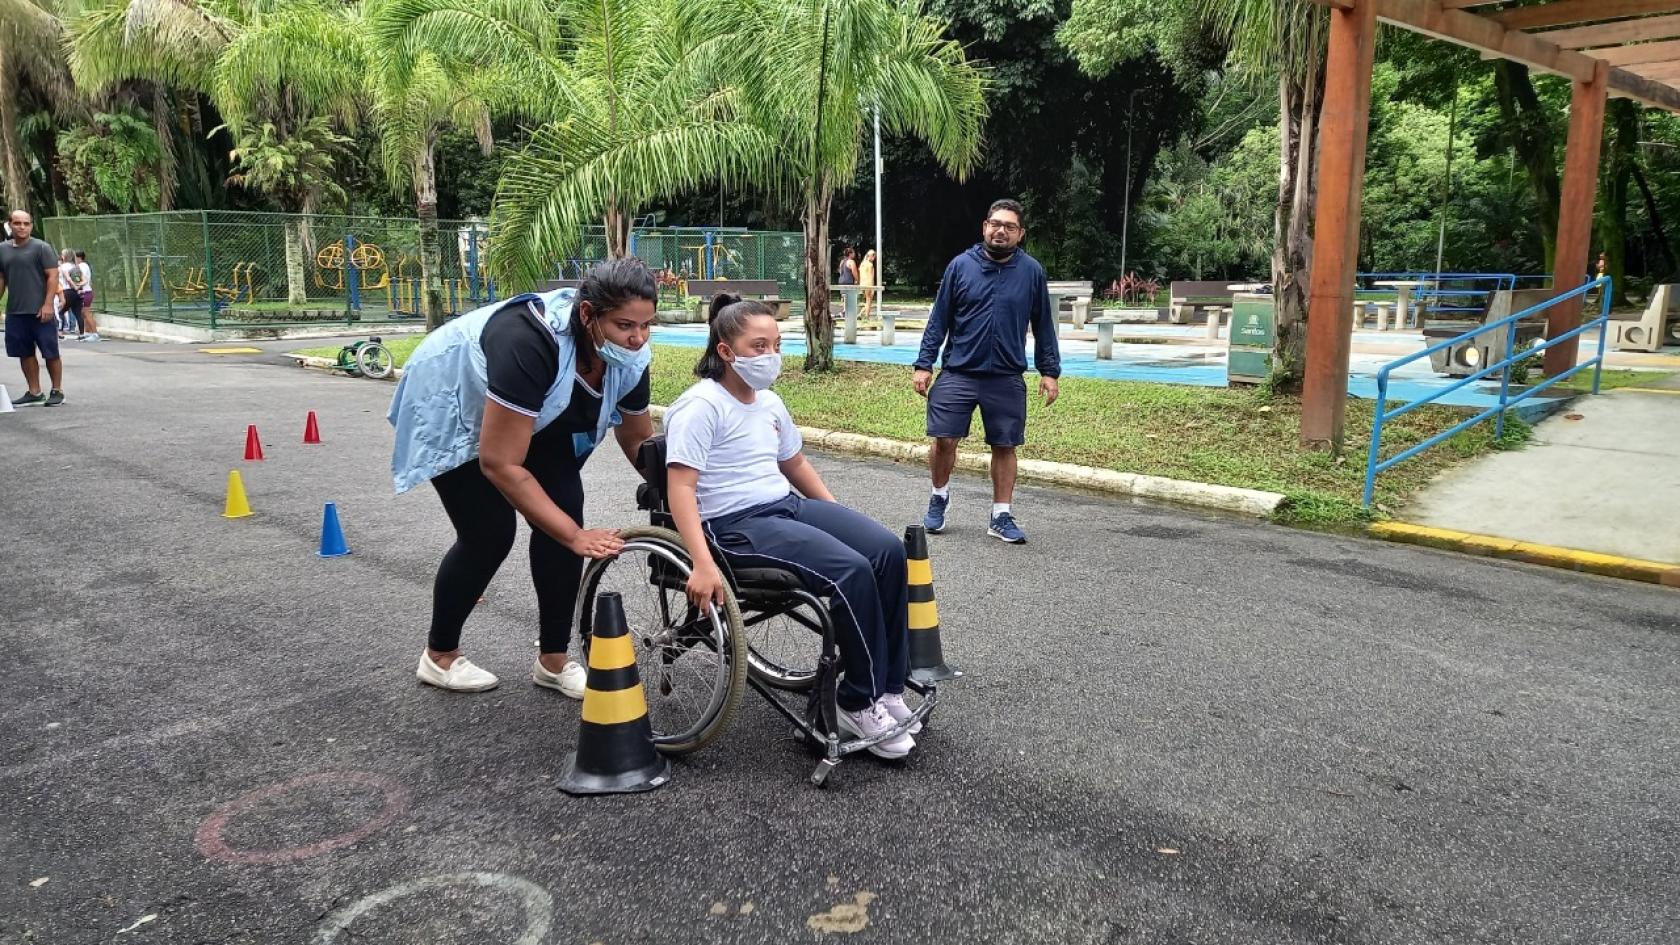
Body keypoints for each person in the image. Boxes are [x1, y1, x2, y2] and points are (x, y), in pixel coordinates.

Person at [387, 258, 659, 695]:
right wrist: (574, 536)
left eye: (647, 325)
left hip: (534, 413)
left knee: (564, 508)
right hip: (458, 404)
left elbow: (637, 438)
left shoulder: (628, 353)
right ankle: (439, 656)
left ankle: (553, 660)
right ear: (588, 315)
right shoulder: (528, 341)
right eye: (625, 325)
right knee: (489, 532)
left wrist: (675, 492)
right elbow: (500, 463)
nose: (638, 338)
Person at [663, 295, 918, 759]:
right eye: (758, 346)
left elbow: (794, 463)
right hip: (734, 526)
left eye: (776, 344)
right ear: (725, 350)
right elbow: (680, 487)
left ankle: (887, 688)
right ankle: (854, 701)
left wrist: (839, 518)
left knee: (884, 549)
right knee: (850, 571)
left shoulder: (770, 402)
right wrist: (700, 562)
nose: (770, 356)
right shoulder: (700, 406)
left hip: (784, 507)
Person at [912, 199, 1061, 544]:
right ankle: (939, 495)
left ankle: (1001, 515)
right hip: (958, 372)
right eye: (995, 224)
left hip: (1006, 376)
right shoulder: (960, 266)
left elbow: (1043, 324)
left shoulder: (1031, 272)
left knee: (1005, 445)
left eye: (1009, 226)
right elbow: (939, 319)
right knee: (944, 438)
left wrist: (1049, 371)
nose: (1001, 231)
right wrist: (924, 363)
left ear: (1020, 234)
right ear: (984, 227)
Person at [2, 211, 65, 407]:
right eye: (18, 223)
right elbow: (2, 279)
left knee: (50, 352)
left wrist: (47, 305)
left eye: (26, 224)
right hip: (15, 312)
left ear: (31, 225)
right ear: (10, 225)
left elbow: (53, 277)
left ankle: (57, 391)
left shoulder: (42, 248)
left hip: (40, 312)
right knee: (24, 353)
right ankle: (34, 392)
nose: (22, 227)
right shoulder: (2, 249)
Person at [57, 250, 83, 339]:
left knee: (61, 312)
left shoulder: (61, 267)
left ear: (64, 256)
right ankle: (81, 334)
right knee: (78, 313)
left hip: (65, 291)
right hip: (76, 291)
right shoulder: (75, 266)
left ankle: (60, 332)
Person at [75, 250, 98, 341]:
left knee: (86, 312)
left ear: (79, 257)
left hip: (86, 292)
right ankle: (88, 332)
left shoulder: (82, 266)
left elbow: (83, 279)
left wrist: (78, 286)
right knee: (84, 313)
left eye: (75, 257)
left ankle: (95, 333)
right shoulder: (84, 265)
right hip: (86, 291)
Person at [858, 249, 877, 320]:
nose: (874, 258)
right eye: (874, 256)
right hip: (868, 284)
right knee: (869, 301)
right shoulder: (870, 265)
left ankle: (860, 314)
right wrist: (872, 288)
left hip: (862, 284)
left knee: (867, 301)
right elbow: (871, 277)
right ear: (871, 256)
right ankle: (866, 316)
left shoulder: (862, 264)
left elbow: (861, 274)